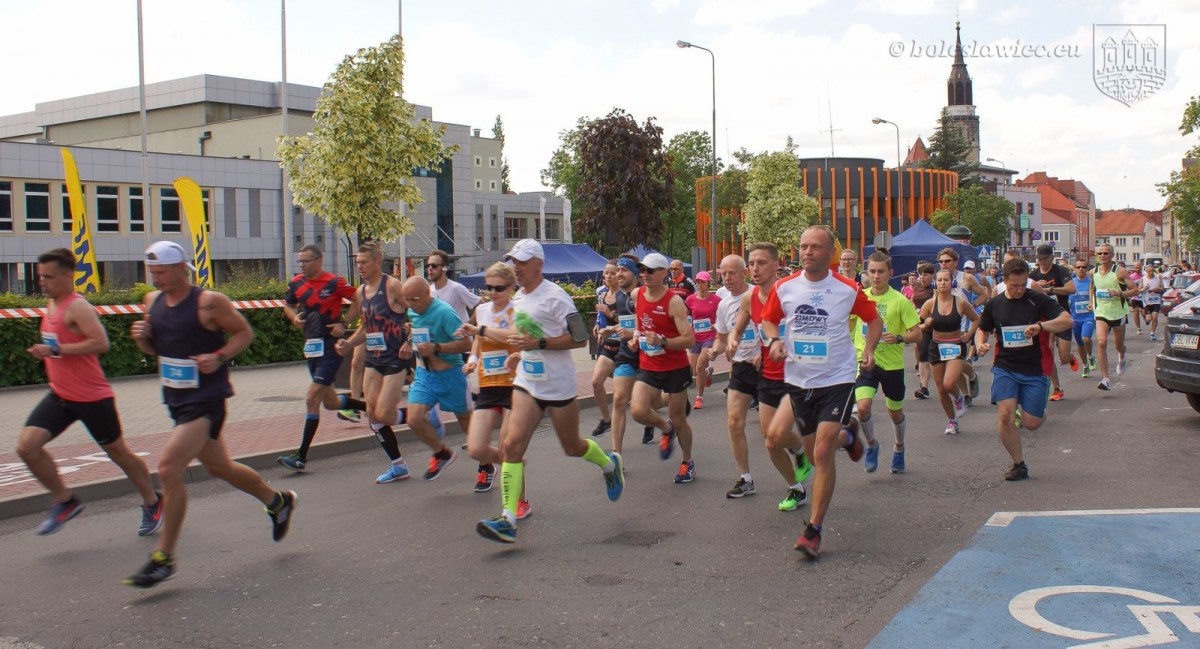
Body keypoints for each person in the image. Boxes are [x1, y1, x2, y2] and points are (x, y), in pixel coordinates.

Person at [124, 241, 296, 588]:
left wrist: (218, 357)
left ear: (181, 268)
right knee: (219, 467)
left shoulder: (208, 302)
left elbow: (244, 333)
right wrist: (141, 338)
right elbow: (156, 348)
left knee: (169, 470)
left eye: (162, 272)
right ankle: (277, 502)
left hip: (207, 400)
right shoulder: (153, 302)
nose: (156, 279)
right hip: (176, 399)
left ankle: (163, 558)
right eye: (152, 272)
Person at [476, 239, 623, 544]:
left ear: (539, 265)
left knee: (572, 447)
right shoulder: (519, 297)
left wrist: (539, 344)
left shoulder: (556, 297)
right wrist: (519, 352)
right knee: (511, 446)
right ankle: (507, 518)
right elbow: (525, 335)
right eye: (514, 262)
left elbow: (580, 339)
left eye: (522, 262)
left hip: (558, 385)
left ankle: (609, 464)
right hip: (527, 382)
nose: (517, 268)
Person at [17, 248, 161, 537]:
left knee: (118, 453)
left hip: (92, 398)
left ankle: (153, 501)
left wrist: (54, 350)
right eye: (41, 276)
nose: (43, 282)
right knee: (27, 447)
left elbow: (101, 343)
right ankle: (65, 500)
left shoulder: (77, 307)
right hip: (60, 395)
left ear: (68, 276)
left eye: (49, 277)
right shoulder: (52, 303)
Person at [761, 227, 880, 559]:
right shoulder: (784, 287)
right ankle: (849, 436)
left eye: (815, 247)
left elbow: (873, 320)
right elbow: (769, 321)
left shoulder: (848, 289)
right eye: (803, 246)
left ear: (830, 253)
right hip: (799, 381)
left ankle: (813, 530)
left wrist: (869, 349)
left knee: (823, 452)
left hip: (837, 379)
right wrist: (775, 340)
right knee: (815, 455)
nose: (807, 252)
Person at [336, 243, 442, 484]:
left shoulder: (392, 287)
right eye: (357, 263)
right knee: (373, 416)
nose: (360, 267)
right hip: (374, 359)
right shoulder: (361, 292)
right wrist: (349, 344)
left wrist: (410, 339)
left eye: (364, 262)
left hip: (396, 357)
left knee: (383, 413)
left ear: (377, 262)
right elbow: (367, 326)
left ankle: (423, 416)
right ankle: (398, 466)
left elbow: (419, 312)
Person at [974, 258, 1074, 481]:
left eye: (1022, 285)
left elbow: (1067, 321)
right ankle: (1018, 464)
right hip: (1005, 367)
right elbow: (983, 329)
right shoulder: (995, 304)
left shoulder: (1037, 299)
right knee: (1005, 415)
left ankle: (1037, 412)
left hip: (1035, 369)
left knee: (1031, 423)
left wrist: (1041, 326)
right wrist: (980, 344)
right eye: (1014, 285)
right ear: (1004, 281)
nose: (1019, 290)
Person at [733, 243, 814, 511]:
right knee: (770, 441)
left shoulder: (792, 293)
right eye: (751, 264)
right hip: (768, 375)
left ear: (776, 265)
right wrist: (732, 340)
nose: (754, 269)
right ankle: (796, 487)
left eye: (761, 263)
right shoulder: (750, 298)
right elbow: (739, 327)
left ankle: (801, 448)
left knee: (777, 434)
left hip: (795, 375)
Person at [277, 245, 360, 471]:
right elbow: (288, 305)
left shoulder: (334, 282)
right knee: (330, 402)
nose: (301, 265)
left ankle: (301, 456)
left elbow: (358, 300)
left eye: (305, 261)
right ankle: (370, 408)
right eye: (300, 261)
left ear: (319, 260)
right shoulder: (296, 283)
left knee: (311, 398)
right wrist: (294, 318)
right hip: (311, 347)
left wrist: (344, 323)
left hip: (331, 347)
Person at [458, 262, 529, 519]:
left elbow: (512, 335)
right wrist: (472, 360)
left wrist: (481, 330)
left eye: (499, 288)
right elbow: (478, 341)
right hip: (488, 385)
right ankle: (514, 462)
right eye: (489, 287)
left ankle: (520, 502)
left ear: (511, 287)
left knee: (507, 447)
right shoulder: (482, 310)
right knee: (476, 449)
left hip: (514, 384)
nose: (493, 292)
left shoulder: (519, 309)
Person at [630, 252, 698, 483]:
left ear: (663, 273)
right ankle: (665, 429)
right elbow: (641, 321)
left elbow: (689, 339)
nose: (645, 274)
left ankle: (687, 462)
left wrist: (663, 341)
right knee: (638, 410)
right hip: (649, 364)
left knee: (678, 418)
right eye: (642, 270)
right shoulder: (637, 294)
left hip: (675, 367)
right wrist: (636, 336)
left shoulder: (673, 302)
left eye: (650, 270)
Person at [852, 252, 921, 473]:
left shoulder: (900, 301)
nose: (876, 276)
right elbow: (848, 324)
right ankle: (872, 445)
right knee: (863, 408)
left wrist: (899, 338)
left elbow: (917, 333)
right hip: (865, 362)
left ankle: (899, 447)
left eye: (881, 271)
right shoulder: (859, 297)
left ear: (890, 273)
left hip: (892, 365)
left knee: (895, 413)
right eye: (872, 271)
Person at [401, 276, 474, 481]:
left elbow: (467, 344)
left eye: (414, 300)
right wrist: (409, 340)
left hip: (450, 374)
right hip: (425, 374)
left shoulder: (444, 312)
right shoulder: (413, 311)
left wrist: (436, 348)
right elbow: (419, 330)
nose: (410, 305)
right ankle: (442, 453)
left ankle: (486, 466)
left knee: (466, 423)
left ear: (427, 294)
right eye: (407, 300)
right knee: (414, 419)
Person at [919, 268, 980, 435]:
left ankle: (959, 399)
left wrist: (969, 334)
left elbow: (976, 319)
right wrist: (926, 324)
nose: (943, 283)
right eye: (939, 280)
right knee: (941, 389)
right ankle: (952, 421)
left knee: (949, 383)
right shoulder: (930, 304)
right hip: (936, 346)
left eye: (946, 280)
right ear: (935, 283)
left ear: (952, 282)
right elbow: (917, 325)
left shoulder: (960, 302)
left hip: (955, 345)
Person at [602, 255, 648, 453]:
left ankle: (666, 424)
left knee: (650, 404)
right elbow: (627, 323)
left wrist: (635, 334)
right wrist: (611, 329)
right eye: (618, 270)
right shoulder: (620, 297)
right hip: (626, 354)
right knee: (619, 400)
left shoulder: (646, 295)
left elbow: (651, 325)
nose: (618, 274)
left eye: (624, 270)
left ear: (636, 274)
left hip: (647, 356)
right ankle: (616, 454)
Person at [1029, 245, 1077, 402]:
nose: (1041, 262)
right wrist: (1036, 288)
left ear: (1051, 257)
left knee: (1063, 357)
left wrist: (1049, 289)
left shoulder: (1060, 271)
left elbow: (1071, 289)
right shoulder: (1033, 275)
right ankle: (1057, 388)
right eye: (1039, 259)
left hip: (1061, 316)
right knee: (1047, 353)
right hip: (1044, 318)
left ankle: (1070, 358)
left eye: (1044, 258)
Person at [1090, 244, 1136, 391]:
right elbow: (1092, 287)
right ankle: (1106, 379)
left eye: (1105, 253)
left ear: (1112, 255)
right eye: (1100, 253)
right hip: (1101, 312)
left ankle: (1121, 355)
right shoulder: (1093, 272)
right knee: (1101, 342)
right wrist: (1091, 302)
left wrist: (1119, 293)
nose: (1102, 256)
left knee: (1118, 345)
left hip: (1118, 313)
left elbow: (1134, 290)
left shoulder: (1120, 271)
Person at [589, 261, 621, 437]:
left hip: (625, 347)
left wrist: (611, 315)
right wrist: (598, 325)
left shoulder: (626, 296)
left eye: (612, 273)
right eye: (606, 273)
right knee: (596, 382)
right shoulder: (601, 293)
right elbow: (601, 315)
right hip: (608, 345)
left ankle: (652, 418)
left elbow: (631, 322)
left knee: (628, 396)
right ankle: (606, 420)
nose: (608, 276)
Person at [685, 271, 722, 410]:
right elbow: (685, 316)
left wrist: (716, 325)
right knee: (695, 370)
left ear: (708, 283)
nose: (700, 284)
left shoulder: (716, 300)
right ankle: (706, 373)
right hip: (695, 337)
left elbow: (722, 317)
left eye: (703, 282)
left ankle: (699, 398)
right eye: (698, 282)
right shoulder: (690, 300)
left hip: (710, 336)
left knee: (700, 365)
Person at [426, 249, 481, 326]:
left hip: (459, 333)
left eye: (434, 266)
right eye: (428, 265)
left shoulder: (456, 288)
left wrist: (467, 325)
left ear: (444, 268)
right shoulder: (429, 290)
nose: (430, 268)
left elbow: (480, 305)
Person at [909, 261, 935, 399]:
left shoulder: (935, 287)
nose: (922, 277)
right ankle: (924, 388)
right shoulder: (917, 286)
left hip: (936, 324)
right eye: (921, 274)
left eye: (926, 274)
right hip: (921, 322)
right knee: (923, 353)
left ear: (932, 275)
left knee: (939, 357)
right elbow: (913, 300)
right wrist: (914, 310)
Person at [1068, 260, 1098, 378]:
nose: (1081, 269)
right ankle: (1085, 366)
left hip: (1088, 317)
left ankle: (1090, 356)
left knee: (1086, 338)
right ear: (1075, 269)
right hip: (1075, 318)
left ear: (1087, 269)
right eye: (1078, 267)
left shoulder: (1091, 282)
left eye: (1084, 267)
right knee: (1080, 344)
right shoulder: (1071, 283)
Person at [1139, 265, 1165, 341]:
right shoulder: (1143, 279)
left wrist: (1157, 289)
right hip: (1146, 301)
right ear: (1146, 271)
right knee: (1149, 319)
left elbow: (1163, 289)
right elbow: (1139, 289)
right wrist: (1144, 288)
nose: (1151, 273)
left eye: (1152, 271)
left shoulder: (1158, 278)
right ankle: (1146, 319)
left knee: (1155, 317)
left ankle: (1152, 333)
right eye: (1149, 271)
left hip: (1156, 300)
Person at [1128, 262, 1144, 335]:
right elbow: (1129, 286)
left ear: (1141, 267)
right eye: (1136, 267)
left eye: (1139, 267)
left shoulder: (1144, 275)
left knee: (1144, 313)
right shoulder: (1131, 276)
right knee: (1136, 311)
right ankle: (1138, 328)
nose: (1138, 269)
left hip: (1143, 297)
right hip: (1135, 297)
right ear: (1134, 268)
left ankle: (1145, 319)